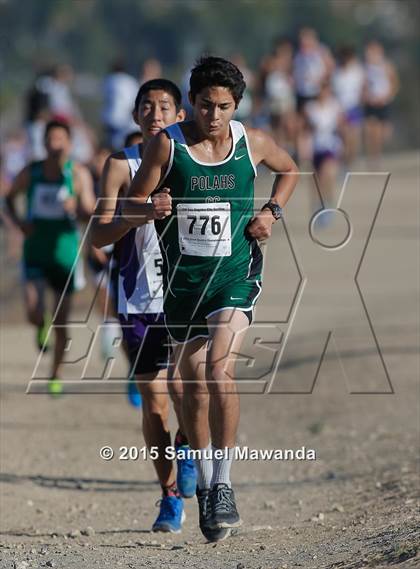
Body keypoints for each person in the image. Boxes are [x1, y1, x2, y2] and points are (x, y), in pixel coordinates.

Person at [123, 56, 298, 541]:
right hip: (183, 285)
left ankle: (222, 484)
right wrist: (151, 205)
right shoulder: (167, 146)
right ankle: (201, 482)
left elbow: (290, 171)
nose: (214, 115)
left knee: (219, 370)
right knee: (190, 387)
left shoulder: (251, 142)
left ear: (236, 105)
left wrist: (271, 212)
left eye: (223, 106)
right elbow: (131, 204)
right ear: (191, 103)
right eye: (205, 105)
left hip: (234, 277)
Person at [91, 79, 197, 533]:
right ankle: (169, 496)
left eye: (165, 106)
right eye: (147, 107)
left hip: (189, 294)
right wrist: (141, 214)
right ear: (135, 116)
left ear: (179, 115)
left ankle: (189, 441)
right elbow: (98, 236)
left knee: (186, 388)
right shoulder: (119, 165)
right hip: (140, 299)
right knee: (154, 403)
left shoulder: (194, 159)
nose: (155, 113)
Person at [5, 119, 95, 396]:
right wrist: (20, 222)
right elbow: (8, 199)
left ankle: (55, 374)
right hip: (35, 250)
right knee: (33, 308)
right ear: (43, 143)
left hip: (66, 255)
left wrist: (76, 207)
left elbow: (91, 212)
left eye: (60, 139)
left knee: (62, 321)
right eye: (50, 139)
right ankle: (38, 323)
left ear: (69, 143)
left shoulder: (77, 173)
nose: (55, 145)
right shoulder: (31, 172)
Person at [305, 81, 344, 215]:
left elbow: (341, 125)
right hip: (316, 147)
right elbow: (306, 130)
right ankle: (318, 206)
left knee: (327, 174)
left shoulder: (334, 106)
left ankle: (328, 203)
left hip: (331, 145)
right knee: (316, 179)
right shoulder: (311, 108)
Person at [363, 40, 399, 165]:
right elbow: (363, 85)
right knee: (371, 130)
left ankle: (378, 153)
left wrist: (388, 96)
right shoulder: (366, 68)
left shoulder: (386, 66)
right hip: (371, 103)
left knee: (383, 133)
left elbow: (394, 83)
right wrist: (366, 96)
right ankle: (373, 157)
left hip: (384, 102)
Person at [332, 46, 365, 165]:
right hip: (341, 109)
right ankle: (344, 162)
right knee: (345, 138)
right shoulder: (336, 73)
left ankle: (351, 162)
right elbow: (333, 92)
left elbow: (363, 88)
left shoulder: (357, 71)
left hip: (354, 107)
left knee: (354, 139)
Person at [102, 59, 139, 149]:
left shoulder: (108, 80)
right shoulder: (131, 81)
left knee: (112, 145)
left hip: (110, 119)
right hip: (126, 120)